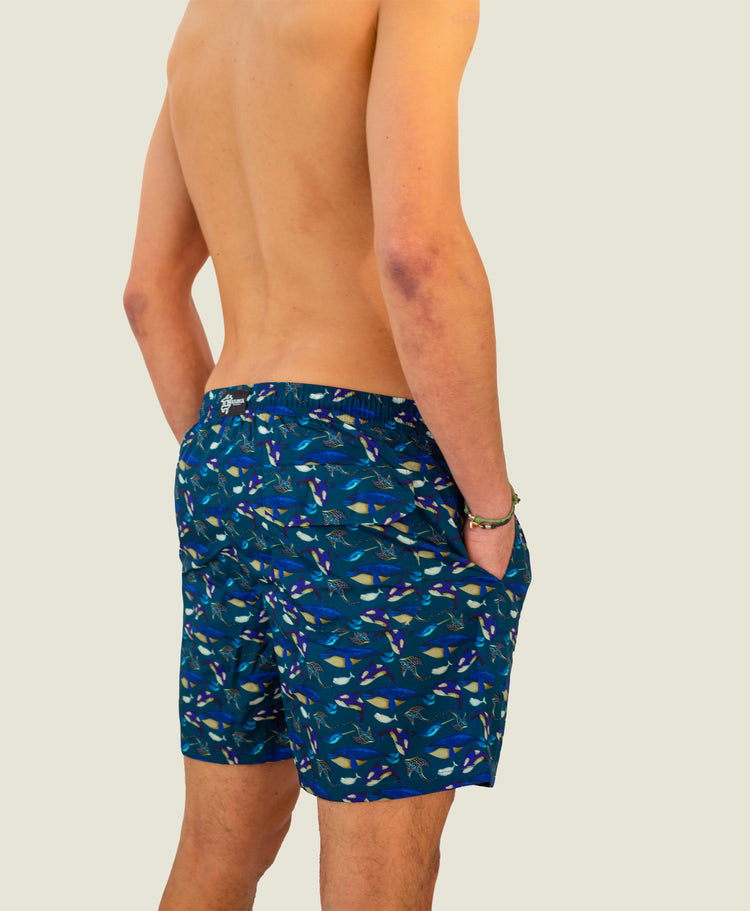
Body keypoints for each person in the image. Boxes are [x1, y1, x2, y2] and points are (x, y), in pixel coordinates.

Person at [124, 2, 532, 909]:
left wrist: (251, 469)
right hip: (365, 471)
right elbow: (418, 255)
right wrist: (489, 504)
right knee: (380, 876)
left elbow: (150, 292)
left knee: (218, 849)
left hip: (227, 447)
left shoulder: (204, 23)